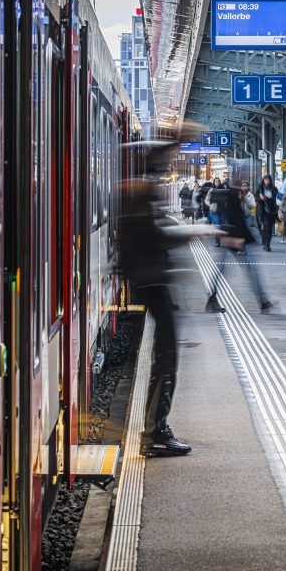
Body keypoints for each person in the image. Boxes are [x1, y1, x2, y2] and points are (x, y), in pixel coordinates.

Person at [116, 140, 203, 457]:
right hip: (151, 280)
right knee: (166, 356)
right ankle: (155, 433)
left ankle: (156, 430)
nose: (173, 161)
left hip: (147, 279)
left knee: (165, 354)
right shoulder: (143, 189)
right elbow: (151, 236)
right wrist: (193, 233)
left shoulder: (138, 187)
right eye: (169, 156)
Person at [205, 180, 272, 314]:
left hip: (230, 236)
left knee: (225, 269)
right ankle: (263, 300)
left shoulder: (230, 197)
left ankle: (212, 298)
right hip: (234, 238)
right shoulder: (232, 199)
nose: (242, 189)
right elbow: (235, 219)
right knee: (250, 269)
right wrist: (239, 238)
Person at [255, 174, 279, 251]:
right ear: (263, 180)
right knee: (265, 227)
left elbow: (276, 200)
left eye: (268, 179)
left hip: (271, 211)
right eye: (265, 179)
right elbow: (256, 197)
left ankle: (267, 244)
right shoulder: (260, 188)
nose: (266, 181)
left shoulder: (274, 189)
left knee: (269, 229)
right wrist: (260, 198)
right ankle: (265, 244)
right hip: (263, 211)